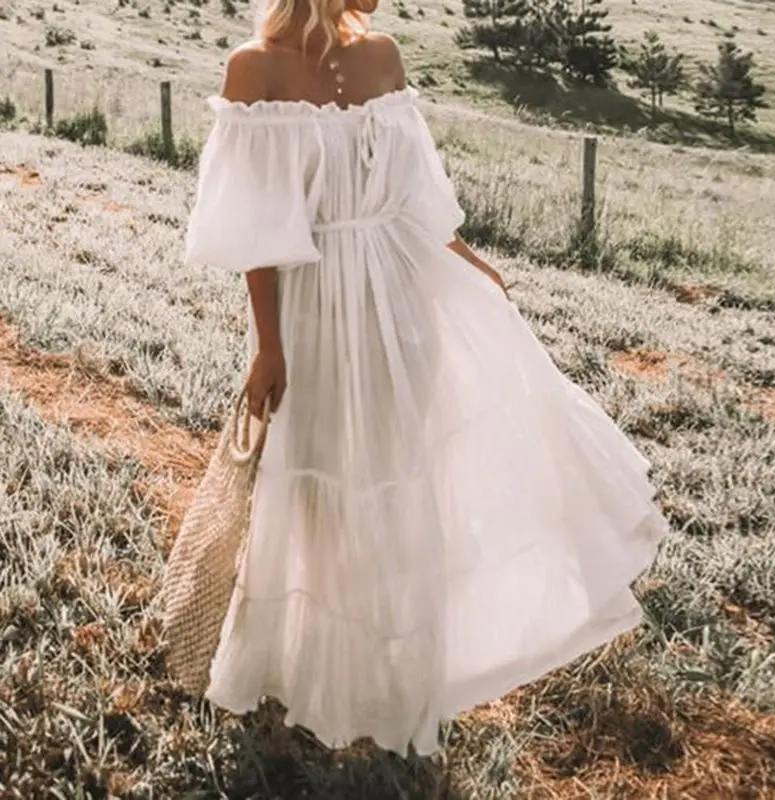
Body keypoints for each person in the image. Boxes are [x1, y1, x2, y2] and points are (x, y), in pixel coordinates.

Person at [182, 0, 670, 759]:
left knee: (397, 480)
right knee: (315, 490)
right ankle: (316, 669)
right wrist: (269, 347)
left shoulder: (382, 54)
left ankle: (398, 676)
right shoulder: (254, 69)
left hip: (400, 300)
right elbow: (256, 228)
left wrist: (471, 267)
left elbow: (417, 199)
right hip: (312, 307)